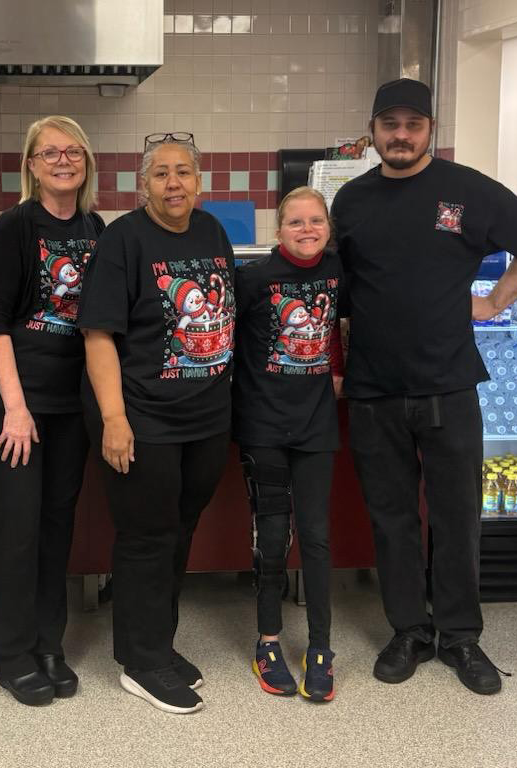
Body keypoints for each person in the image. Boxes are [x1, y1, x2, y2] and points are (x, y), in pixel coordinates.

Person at [331, 79, 517, 695]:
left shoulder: (465, 189)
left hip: (451, 385)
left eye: (413, 124)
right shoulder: (350, 200)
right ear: (372, 129)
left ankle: (459, 636)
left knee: (457, 518)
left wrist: (494, 300)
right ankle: (409, 629)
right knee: (393, 517)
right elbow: (341, 293)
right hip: (375, 388)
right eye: (389, 124)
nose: (400, 135)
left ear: (430, 129)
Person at [78, 132, 235, 714]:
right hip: (145, 418)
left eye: (184, 173)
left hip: (207, 418)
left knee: (180, 529)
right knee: (146, 538)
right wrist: (114, 419)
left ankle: (159, 645)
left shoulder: (212, 231)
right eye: (162, 173)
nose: (174, 183)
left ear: (199, 181)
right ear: (144, 184)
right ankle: (139, 662)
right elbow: (98, 336)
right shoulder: (123, 241)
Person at [0, 116, 103, 706]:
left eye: (72, 151)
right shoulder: (15, 226)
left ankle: (50, 643)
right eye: (49, 152)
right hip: (16, 405)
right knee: (21, 529)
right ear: (30, 165)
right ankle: (12, 652)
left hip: (70, 404)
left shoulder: (95, 227)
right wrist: (15, 408)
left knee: (58, 526)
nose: (62, 160)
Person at [232, 186, 344, 703]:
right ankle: (268, 639)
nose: (306, 229)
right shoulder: (252, 279)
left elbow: (348, 329)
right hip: (264, 426)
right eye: (295, 222)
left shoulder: (340, 273)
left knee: (317, 537)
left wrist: (341, 371)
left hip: (317, 425)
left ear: (327, 226)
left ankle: (321, 645)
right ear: (278, 232)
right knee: (272, 536)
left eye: (315, 220)